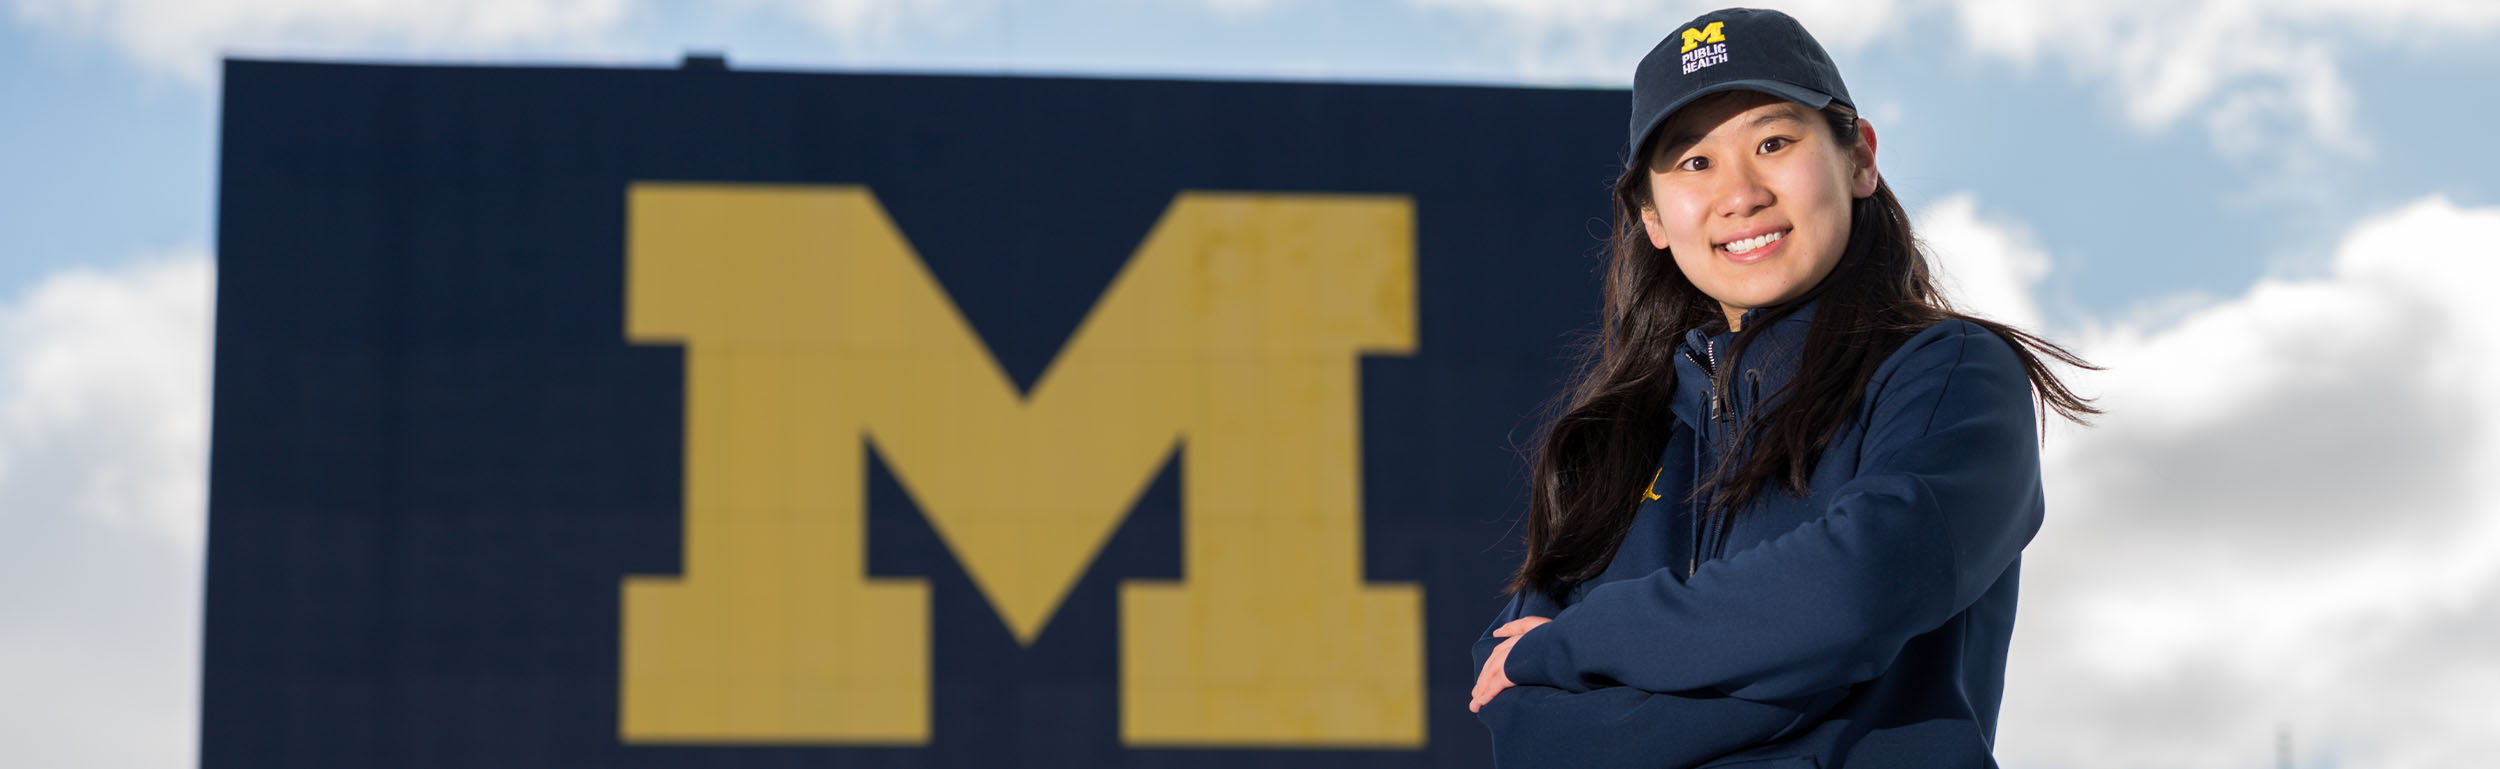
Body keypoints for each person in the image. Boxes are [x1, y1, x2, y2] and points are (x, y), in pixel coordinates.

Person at [1464, 7, 2097, 768]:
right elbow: (1524, 727)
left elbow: (1853, 594)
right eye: (1694, 162)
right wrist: (1784, 664)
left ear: (1859, 159)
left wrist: (1577, 643)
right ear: (1651, 217)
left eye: (1773, 143)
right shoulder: (1611, 445)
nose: (1741, 194)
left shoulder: (1948, 373)